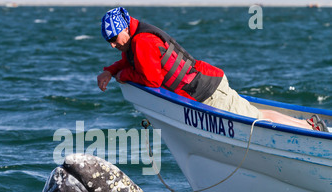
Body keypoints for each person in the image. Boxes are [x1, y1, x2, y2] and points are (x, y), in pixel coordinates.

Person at [97, 7, 329, 132]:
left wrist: (121, 76)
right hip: (207, 85)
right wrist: (110, 70)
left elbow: (152, 79)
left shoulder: (142, 41)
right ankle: (309, 125)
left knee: (258, 119)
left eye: (115, 38)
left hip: (206, 91)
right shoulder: (135, 41)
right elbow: (131, 60)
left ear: (126, 28)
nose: (113, 44)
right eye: (109, 41)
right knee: (258, 115)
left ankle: (309, 128)